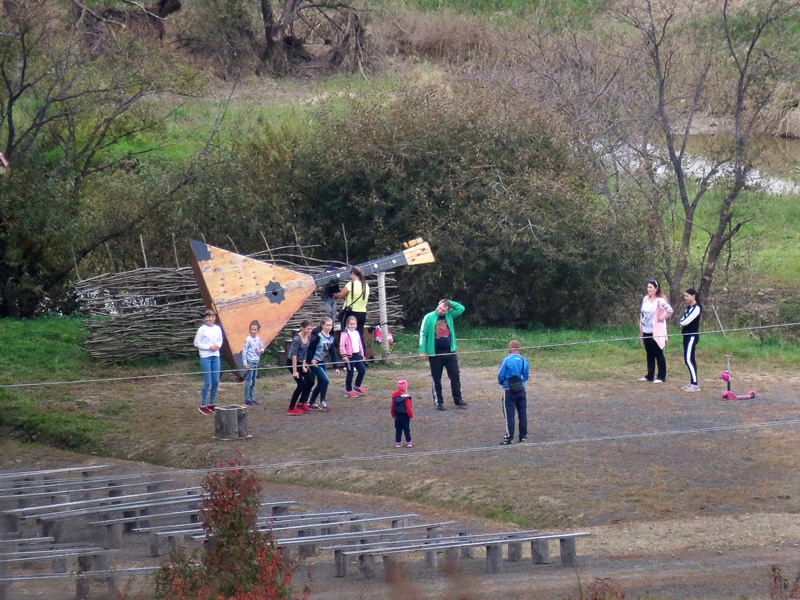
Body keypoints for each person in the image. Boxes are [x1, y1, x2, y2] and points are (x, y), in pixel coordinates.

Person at [418, 299, 468, 410]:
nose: (440, 311)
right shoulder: (429, 317)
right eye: (439, 308)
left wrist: (448, 302)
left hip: (450, 351)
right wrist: (422, 349)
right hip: (435, 352)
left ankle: (458, 399)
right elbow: (423, 334)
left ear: (447, 310)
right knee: (436, 377)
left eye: (443, 310)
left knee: (455, 375)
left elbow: (461, 308)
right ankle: (438, 402)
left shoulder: (450, 315)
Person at [639, 279, 674, 383]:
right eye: (648, 287)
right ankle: (649, 375)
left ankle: (661, 376)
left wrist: (661, 318)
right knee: (649, 353)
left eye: (650, 287)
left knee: (658, 353)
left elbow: (669, 310)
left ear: (656, 289)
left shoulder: (660, 301)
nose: (648, 289)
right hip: (646, 330)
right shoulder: (645, 299)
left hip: (656, 331)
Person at [497, 340, 529, 445]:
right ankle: (523, 436)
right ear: (518, 348)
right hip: (521, 389)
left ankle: (509, 437)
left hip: (509, 390)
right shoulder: (524, 360)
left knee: (509, 414)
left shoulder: (506, 359)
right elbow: (526, 376)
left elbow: (500, 375)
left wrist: (502, 383)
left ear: (510, 348)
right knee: (522, 413)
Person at [307, 316, 340, 410]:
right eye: (327, 325)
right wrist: (311, 360)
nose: (329, 327)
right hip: (315, 362)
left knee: (321, 382)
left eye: (331, 325)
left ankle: (312, 402)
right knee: (326, 380)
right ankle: (322, 401)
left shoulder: (332, 338)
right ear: (322, 326)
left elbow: (333, 353)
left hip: (322, 362)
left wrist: (336, 367)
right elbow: (310, 349)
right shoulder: (318, 337)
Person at [193, 309, 223, 415]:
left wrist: (217, 346)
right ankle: (203, 405)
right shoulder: (202, 329)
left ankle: (211, 403)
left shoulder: (217, 329)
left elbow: (220, 340)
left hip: (215, 356)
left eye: (210, 317)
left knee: (215, 381)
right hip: (206, 356)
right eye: (206, 317)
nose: (208, 319)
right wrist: (208, 347)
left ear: (214, 318)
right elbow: (196, 343)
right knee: (208, 382)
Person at [287, 321, 315, 416]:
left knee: (311, 380)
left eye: (311, 329)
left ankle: (301, 403)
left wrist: (303, 365)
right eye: (308, 329)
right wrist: (295, 371)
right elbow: (294, 355)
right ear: (302, 328)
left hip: (301, 361)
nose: (310, 331)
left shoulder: (309, 336)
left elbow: (305, 352)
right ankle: (291, 408)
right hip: (292, 362)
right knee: (301, 384)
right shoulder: (296, 339)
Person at [333, 266, 369, 339]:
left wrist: (334, 295)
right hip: (362, 313)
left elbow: (341, 295)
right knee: (359, 336)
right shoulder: (366, 285)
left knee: (347, 335)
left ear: (353, 274)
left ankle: (348, 350)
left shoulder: (351, 284)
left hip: (351, 313)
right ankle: (360, 350)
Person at [680, 288, 702, 392]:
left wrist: (682, 322)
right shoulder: (689, 307)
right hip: (686, 336)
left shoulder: (697, 308)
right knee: (689, 359)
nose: (685, 298)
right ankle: (692, 382)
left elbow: (685, 321)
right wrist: (682, 321)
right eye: (685, 296)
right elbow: (681, 319)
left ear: (693, 296)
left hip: (692, 336)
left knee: (688, 359)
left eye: (687, 296)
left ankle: (695, 384)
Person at [339, 315, 366, 397]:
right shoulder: (345, 334)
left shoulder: (357, 333)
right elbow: (342, 345)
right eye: (351, 324)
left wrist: (362, 354)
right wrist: (344, 355)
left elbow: (359, 344)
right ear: (347, 325)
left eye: (354, 324)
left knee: (362, 370)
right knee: (350, 373)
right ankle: (349, 390)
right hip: (349, 356)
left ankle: (357, 386)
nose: (352, 326)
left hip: (357, 355)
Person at [242, 320, 265, 406]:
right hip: (250, 361)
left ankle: (252, 398)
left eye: (255, 330)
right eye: (251, 329)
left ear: (257, 330)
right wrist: (245, 363)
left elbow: (262, 348)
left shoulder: (258, 339)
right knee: (249, 381)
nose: (253, 331)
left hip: (256, 361)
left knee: (254, 381)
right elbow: (244, 351)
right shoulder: (248, 339)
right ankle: (247, 399)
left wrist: (260, 351)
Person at [391, 379, 414, 448]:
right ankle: (409, 441)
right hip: (405, 415)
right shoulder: (406, 398)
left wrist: (393, 414)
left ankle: (398, 442)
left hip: (397, 415)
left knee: (398, 430)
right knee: (406, 429)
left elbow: (392, 406)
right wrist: (411, 416)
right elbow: (408, 408)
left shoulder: (395, 397)